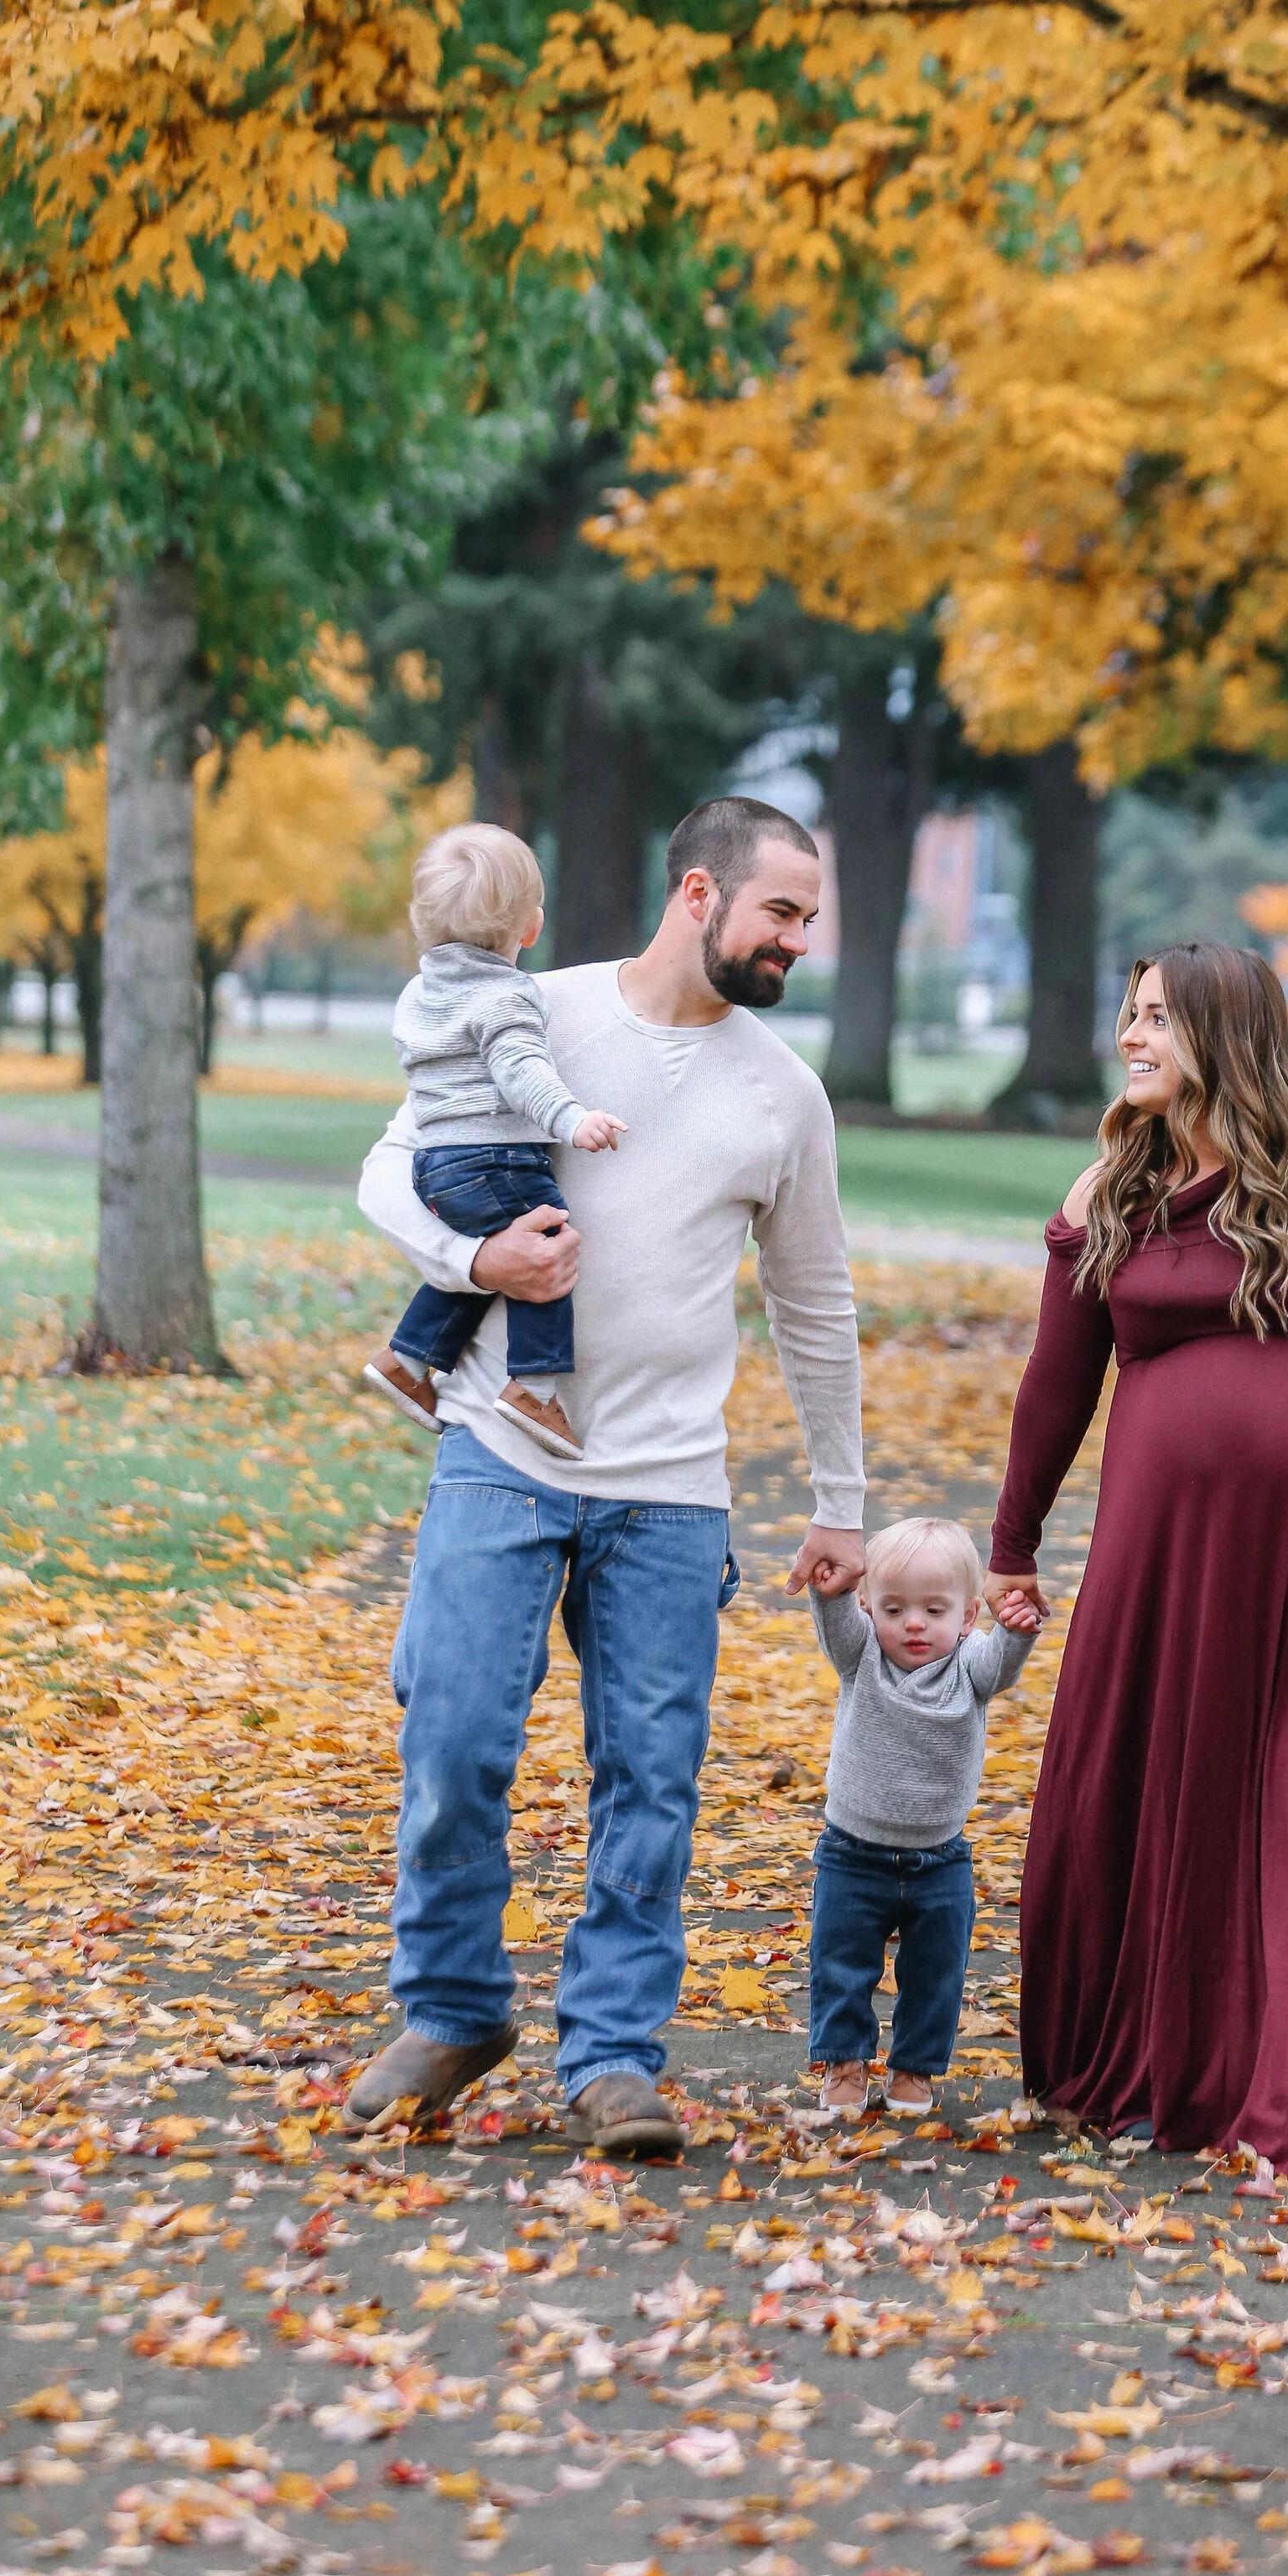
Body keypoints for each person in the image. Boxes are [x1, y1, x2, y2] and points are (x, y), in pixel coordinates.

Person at [347, 797, 866, 2157]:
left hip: (672, 1488)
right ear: (700, 893)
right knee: (452, 1740)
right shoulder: (537, 1011)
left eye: (809, 918)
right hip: (500, 1450)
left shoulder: (782, 1093)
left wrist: (841, 1497)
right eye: (784, 912)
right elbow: (390, 1171)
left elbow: (814, 1303)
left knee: (653, 1776)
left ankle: (614, 2055)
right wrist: (476, 1268)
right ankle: (454, 2008)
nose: (801, 940)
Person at [987, 942, 1288, 2181]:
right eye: (1129, 1017)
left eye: (1159, 1020)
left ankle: (1277, 2081)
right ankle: (1143, 2069)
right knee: (1144, 1773)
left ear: (1225, 1033)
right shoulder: (1109, 1187)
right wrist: (1011, 1545)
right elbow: (1055, 1383)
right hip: (1157, 1545)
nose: (1132, 1038)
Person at [361, 824, 627, 1462]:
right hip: (497, 1158)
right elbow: (521, 1072)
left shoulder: (419, 993)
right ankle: (533, 1387)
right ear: (528, 929)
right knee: (544, 1254)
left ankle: (407, 1361)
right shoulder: (506, 993)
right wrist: (571, 1119)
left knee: (489, 1264)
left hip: (436, 1166)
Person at [805, 1517, 1041, 2121]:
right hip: (852, 1851)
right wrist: (829, 1588)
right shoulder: (862, 1658)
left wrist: (1016, 1630)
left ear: (965, 1618)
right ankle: (846, 2062)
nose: (914, 1623)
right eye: (894, 1608)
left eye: (934, 1610)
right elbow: (836, 1624)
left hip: (940, 1858)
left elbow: (1004, 1663)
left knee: (936, 1971)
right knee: (841, 1963)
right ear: (869, 1608)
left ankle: (912, 2068)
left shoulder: (970, 1669)